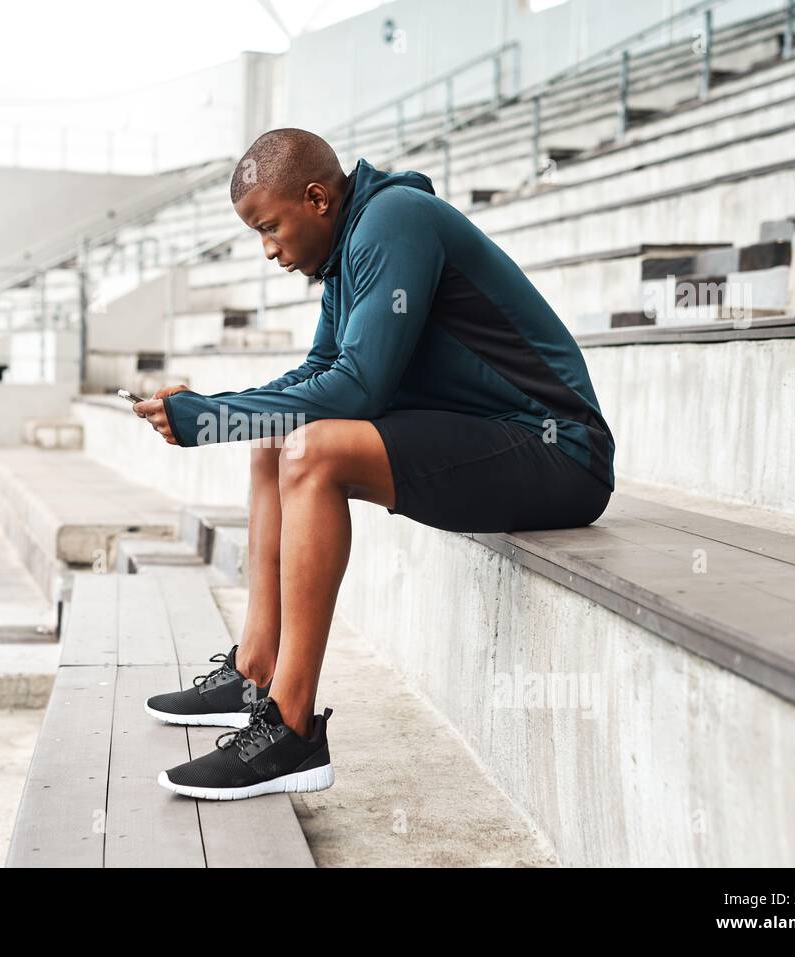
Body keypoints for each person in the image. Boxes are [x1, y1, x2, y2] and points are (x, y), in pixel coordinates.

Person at [133, 128, 615, 802]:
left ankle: (291, 730)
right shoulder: (347, 247)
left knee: (311, 450)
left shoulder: (395, 221)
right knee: (275, 435)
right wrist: (216, 407)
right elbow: (320, 373)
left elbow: (358, 388)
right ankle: (254, 670)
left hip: (559, 449)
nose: (268, 249)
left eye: (270, 226)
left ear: (317, 197)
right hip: (486, 433)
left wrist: (206, 418)